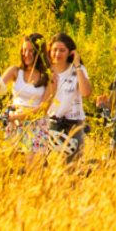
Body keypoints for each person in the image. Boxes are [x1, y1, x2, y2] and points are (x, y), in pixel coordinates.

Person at [1, 33, 52, 154]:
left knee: (32, 167)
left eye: (31, 51)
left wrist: (19, 117)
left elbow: (43, 107)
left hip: (36, 124)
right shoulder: (15, 71)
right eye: (24, 50)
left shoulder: (48, 76)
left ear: (39, 53)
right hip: (15, 124)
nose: (26, 54)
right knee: (12, 168)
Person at [46, 32, 91, 162]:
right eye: (55, 50)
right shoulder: (46, 70)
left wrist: (77, 65)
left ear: (70, 52)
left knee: (72, 166)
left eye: (62, 50)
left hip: (73, 124)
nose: (57, 54)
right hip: (51, 123)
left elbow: (86, 92)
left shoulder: (78, 69)